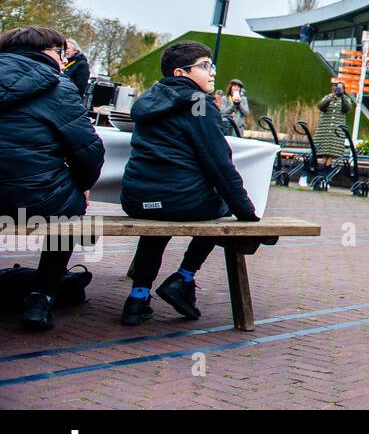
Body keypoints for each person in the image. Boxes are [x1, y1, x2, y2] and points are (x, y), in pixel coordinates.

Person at [119, 40, 260, 325]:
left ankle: (138, 296)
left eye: (212, 65)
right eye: (204, 66)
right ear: (180, 74)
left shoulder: (149, 100)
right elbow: (219, 164)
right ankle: (184, 277)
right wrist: (246, 214)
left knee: (158, 218)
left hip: (137, 200)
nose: (212, 72)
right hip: (179, 201)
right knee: (219, 208)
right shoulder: (198, 103)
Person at [0, 26, 105, 330]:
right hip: (37, 199)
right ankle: (41, 297)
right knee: (70, 209)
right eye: (61, 53)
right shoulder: (59, 86)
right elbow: (88, 151)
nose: (64, 60)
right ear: (48, 52)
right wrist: (82, 186)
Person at [315, 77, 355, 165]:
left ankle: (326, 171)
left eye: (341, 88)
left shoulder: (346, 99)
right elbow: (321, 106)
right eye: (338, 87)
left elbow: (346, 109)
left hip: (337, 129)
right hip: (325, 128)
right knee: (324, 152)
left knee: (332, 153)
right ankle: (323, 171)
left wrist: (342, 97)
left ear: (344, 90)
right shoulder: (328, 96)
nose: (339, 89)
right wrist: (331, 97)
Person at [62, 37, 91, 104]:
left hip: (70, 100)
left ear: (75, 50)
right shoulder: (64, 61)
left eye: (68, 48)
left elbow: (81, 87)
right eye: (64, 48)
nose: (65, 50)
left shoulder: (82, 64)